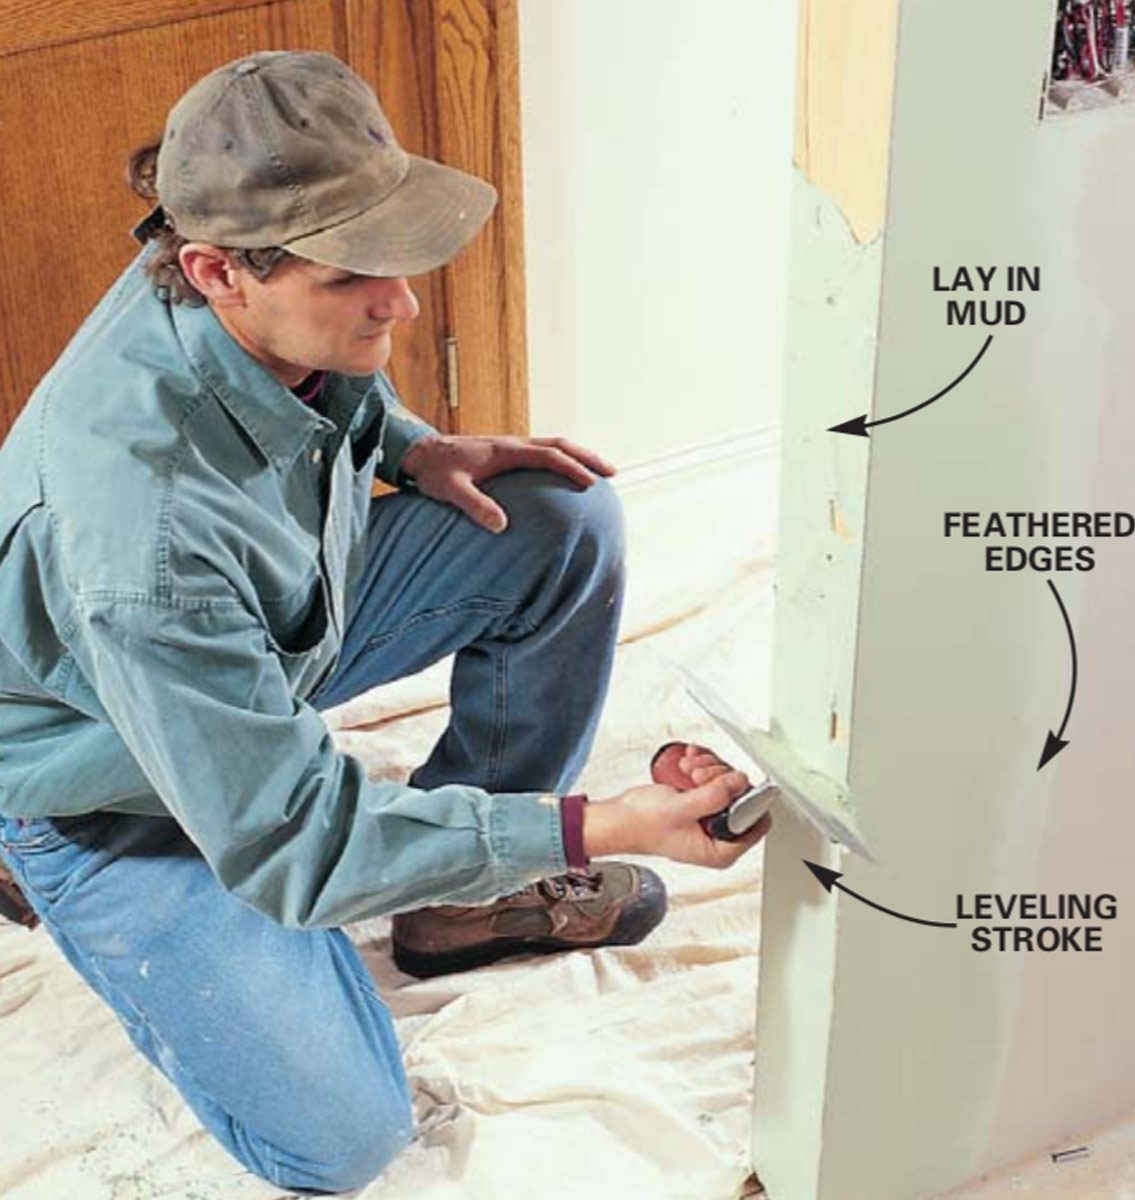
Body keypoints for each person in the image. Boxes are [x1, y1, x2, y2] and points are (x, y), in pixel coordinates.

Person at [0, 50, 765, 1192]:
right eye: (354, 274)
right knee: (346, 1134)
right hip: (110, 780)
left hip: (257, 643)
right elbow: (296, 847)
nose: (401, 302)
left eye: (393, 253)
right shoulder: (143, 538)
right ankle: (34, 860)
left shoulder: (225, 250)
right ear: (214, 271)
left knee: (559, 520)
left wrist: (412, 446)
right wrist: (596, 826)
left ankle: (462, 898)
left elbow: (309, 372)